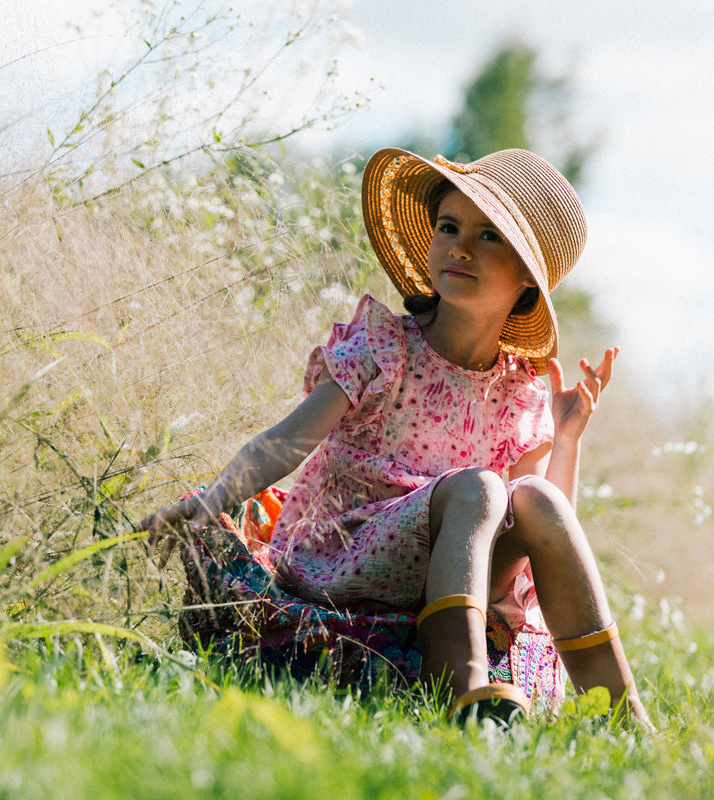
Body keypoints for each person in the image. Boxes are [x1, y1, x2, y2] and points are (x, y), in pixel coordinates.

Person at [139, 147, 651, 727]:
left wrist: (567, 439)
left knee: (532, 498)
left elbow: (544, 536)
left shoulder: (520, 391)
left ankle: (622, 710)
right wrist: (214, 498)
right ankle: (465, 688)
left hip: (457, 562)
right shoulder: (385, 347)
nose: (458, 245)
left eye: (488, 237)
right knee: (480, 488)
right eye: (449, 226)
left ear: (526, 283)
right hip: (348, 546)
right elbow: (289, 440)